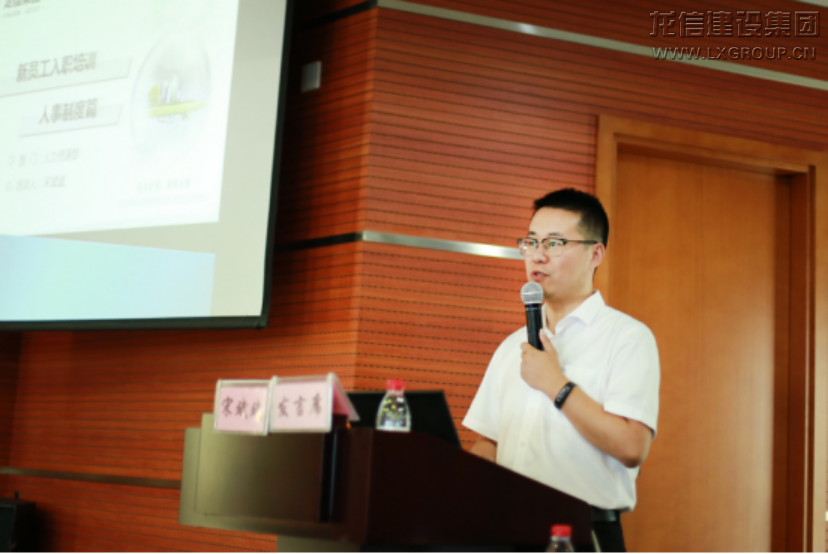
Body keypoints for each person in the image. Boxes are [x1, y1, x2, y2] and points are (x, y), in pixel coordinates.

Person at [463, 188, 660, 552]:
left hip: (584, 533)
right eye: (531, 242)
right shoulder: (511, 346)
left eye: (554, 243)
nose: (537, 255)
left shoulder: (627, 337)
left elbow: (632, 446)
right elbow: (489, 441)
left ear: (595, 254)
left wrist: (556, 384)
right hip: (507, 529)